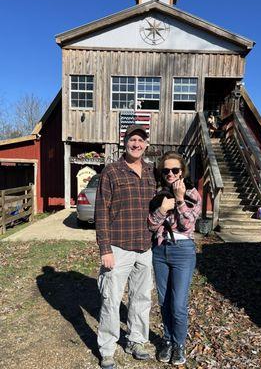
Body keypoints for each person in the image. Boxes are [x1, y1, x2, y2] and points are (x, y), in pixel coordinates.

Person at [95, 124, 156, 369]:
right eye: (133, 139)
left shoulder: (152, 172)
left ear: (146, 145)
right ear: (125, 142)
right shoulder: (112, 171)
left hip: (145, 247)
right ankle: (107, 349)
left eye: (141, 140)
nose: (137, 144)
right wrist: (105, 249)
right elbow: (101, 212)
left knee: (142, 299)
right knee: (111, 300)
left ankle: (136, 340)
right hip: (118, 248)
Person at [148, 151, 201, 366]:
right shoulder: (158, 193)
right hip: (160, 251)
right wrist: (162, 209)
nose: (170, 174)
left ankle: (179, 344)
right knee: (164, 301)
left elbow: (187, 225)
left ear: (182, 171)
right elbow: (151, 225)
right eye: (166, 170)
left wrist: (179, 201)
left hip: (183, 251)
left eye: (175, 170)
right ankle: (167, 340)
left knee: (178, 304)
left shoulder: (193, 194)